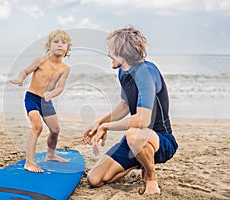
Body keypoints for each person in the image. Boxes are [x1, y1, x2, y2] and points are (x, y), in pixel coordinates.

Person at [83, 26, 178, 194]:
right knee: (94, 179)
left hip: (161, 141)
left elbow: (142, 121)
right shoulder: (122, 71)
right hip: (136, 140)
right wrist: (100, 123)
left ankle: (151, 177)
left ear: (123, 52)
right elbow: (125, 105)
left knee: (133, 133)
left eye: (111, 50)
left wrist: (107, 127)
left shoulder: (146, 73)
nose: (108, 54)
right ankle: (139, 159)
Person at [10, 29, 72, 173]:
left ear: (68, 48)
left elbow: (60, 87)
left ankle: (51, 155)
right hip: (32, 98)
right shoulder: (41, 60)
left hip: (46, 101)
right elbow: (25, 71)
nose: (59, 45)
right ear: (48, 45)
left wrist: (52, 94)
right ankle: (29, 162)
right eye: (56, 42)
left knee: (56, 130)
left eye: (64, 42)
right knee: (37, 127)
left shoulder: (65, 68)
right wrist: (20, 79)